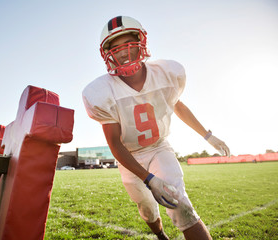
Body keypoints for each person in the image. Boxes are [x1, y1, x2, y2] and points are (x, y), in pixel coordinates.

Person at [82, 16, 230, 240]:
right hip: (129, 156)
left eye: (128, 45)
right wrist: (148, 178)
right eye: (116, 48)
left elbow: (177, 105)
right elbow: (114, 143)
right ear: (107, 54)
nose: (123, 53)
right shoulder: (100, 92)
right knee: (148, 211)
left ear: (141, 43)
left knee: (179, 202)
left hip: (159, 147)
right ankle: (161, 236)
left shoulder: (167, 73)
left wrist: (208, 136)